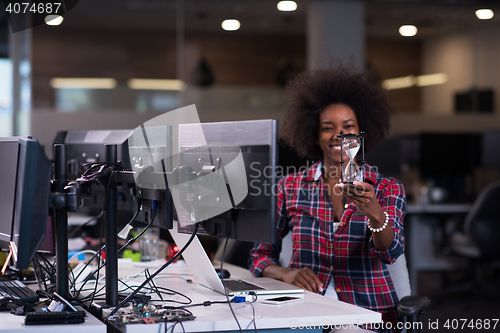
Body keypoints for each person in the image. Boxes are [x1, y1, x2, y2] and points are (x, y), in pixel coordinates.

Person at [249, 64, 406, 332]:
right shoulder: (289, 186)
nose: (339, 135)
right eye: (327, 127)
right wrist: (287, 273)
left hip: (366, 314)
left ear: (361, 131)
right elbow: (259, 256)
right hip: (303, 311)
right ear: (315, 135)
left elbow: (390, 253)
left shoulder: (387, 188)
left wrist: (375, 214)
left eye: (348, 126)